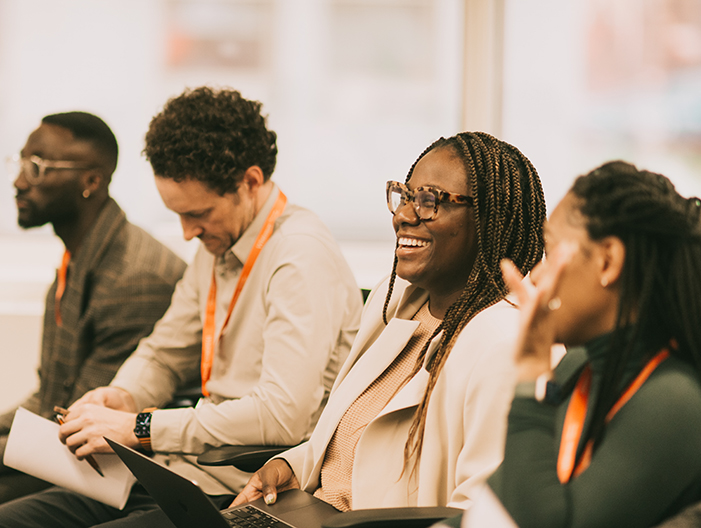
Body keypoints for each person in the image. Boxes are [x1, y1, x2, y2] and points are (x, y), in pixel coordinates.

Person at [0, 87, 363, 528]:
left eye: (199, 213)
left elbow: (280, 416)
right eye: (177, 214)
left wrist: (138, 426)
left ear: (251, 182)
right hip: (175, 474)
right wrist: (122, 395)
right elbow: (164, 352)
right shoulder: (219, 244)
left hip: (241, 491)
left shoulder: (299, 257)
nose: (188, 231)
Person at [232, 131, 546, 514]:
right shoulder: (394, 300)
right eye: (406, 196)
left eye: (430, 201)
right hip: (309, 513)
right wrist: (291, 465)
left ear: (489, 219)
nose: (403, 215)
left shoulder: (502, 343)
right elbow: (355, 437)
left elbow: (483, 510)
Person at [446, 161, 701, 528]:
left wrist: (532, 371)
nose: (537, 274)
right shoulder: (579, 364)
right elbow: (508, 494)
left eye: (550, 250)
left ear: (607, 261)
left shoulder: (674, 401)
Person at [0, 112, 187, 516]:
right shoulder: (79, 257)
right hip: (62, 448)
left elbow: (73, 426)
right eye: (20, 163)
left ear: (91, 181)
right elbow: (49, 397)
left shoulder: (134, 278)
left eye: (37, 167)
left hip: (107, 470)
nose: (18, 181)